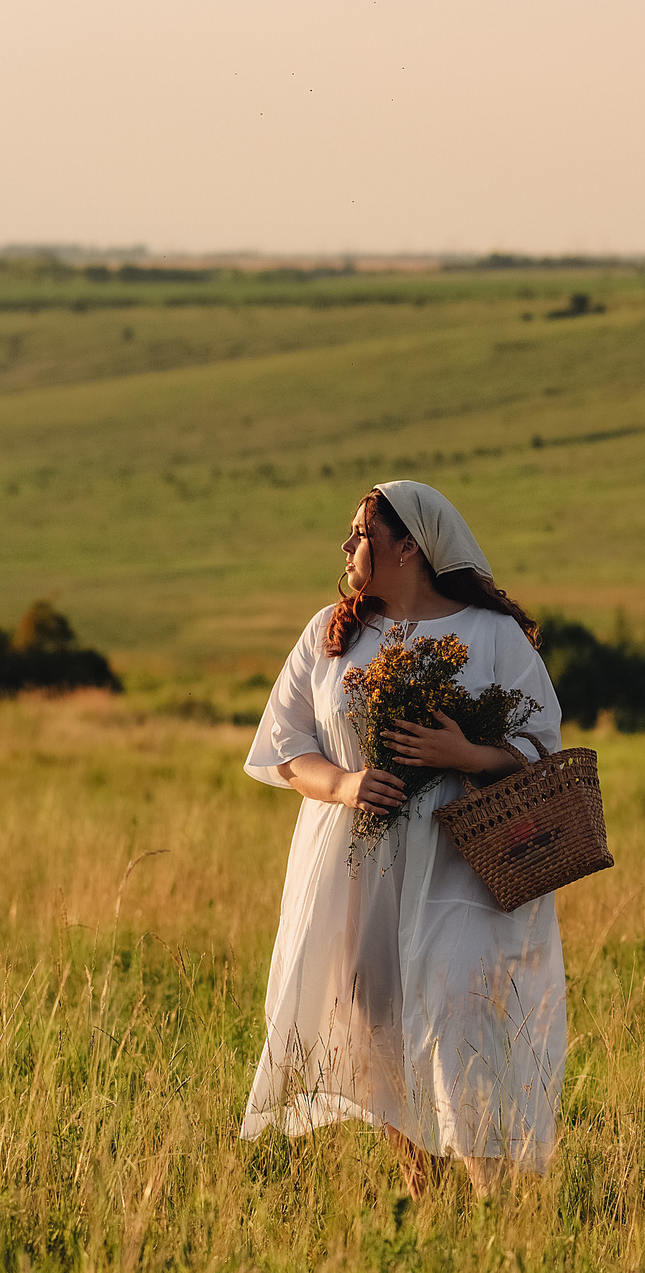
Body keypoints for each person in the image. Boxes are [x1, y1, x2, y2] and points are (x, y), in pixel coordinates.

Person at [239, 480, 566, 1197]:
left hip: (460, 861)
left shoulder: (491, 634)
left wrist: (467, 757)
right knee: (375, 1013)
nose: (349, 547)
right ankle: (420, 1184)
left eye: (362, 533)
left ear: (409, 546)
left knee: (459, 1009)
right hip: (358, 862)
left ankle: (489, 1191)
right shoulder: (333, 633)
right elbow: (287, 748)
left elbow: (542, 746)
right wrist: (347, 785)